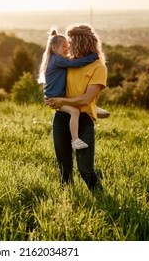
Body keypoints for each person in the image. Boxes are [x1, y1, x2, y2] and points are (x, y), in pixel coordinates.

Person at [44, 23, 107, 192]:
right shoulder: (68, 62)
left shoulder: (98, 68)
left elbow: (86, 98)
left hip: (84, 120)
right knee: (64, 170)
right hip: (61, 118)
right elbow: (54, 81)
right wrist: (54, 100)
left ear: (81, 43)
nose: (69, 46)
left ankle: (103, 200)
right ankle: (67, 202)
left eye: (71, 43)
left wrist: (61, 101)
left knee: (85, 170)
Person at [39, 29, 98, 150]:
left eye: (68, 46)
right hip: (54, 98)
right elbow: (76, 64)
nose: (67, 49)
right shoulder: (57, 60)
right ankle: (75, 140)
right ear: (54, 49)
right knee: (75, 111)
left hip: (59, 95)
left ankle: (93, 107)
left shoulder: (57, 58)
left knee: (77, 97)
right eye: (64, 47)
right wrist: (93, 56)